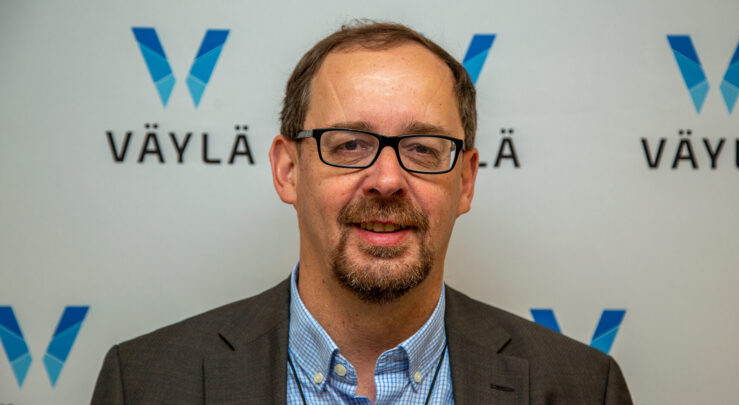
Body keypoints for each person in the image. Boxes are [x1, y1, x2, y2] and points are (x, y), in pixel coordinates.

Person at [91, 21, 633, 404]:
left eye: (422, 148)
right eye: (350, 145)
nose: (387, 180)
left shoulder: (583, 388)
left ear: (465, 181)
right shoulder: (144, 384)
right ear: (288, 170)